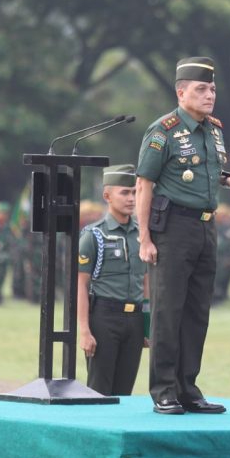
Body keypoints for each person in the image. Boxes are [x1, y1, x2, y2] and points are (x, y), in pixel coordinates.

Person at [136, 56, 230, 415]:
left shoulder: (214, 130)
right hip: (171, 229)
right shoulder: (163, 131)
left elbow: (206, 172)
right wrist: (144, 238)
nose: (209, 95)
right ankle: (164, 390)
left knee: (197, 311)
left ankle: (188, 388)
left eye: (212, 89)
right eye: (201, 89)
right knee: (168, 311)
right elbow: (144, 185)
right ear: (181, 92)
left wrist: (229, 179)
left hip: (205, 226)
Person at [77, 164, 149, 396]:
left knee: (125, 392)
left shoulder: (143, 233)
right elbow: (80, 285)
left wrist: (147, 326)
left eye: (135, 192)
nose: (131, 198)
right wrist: (85, 331)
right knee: (99, 390)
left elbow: (145, 281)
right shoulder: (94, 234)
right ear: (107, 196)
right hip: (104, 318)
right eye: (124, 192)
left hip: (135, 319)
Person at [212, 204, 230, 305]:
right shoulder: (212, 225)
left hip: (225, 258)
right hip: (214, 257)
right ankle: (213, 298)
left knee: (223, 278)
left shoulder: (229, 227)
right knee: (213, 279)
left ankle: (221, 296)